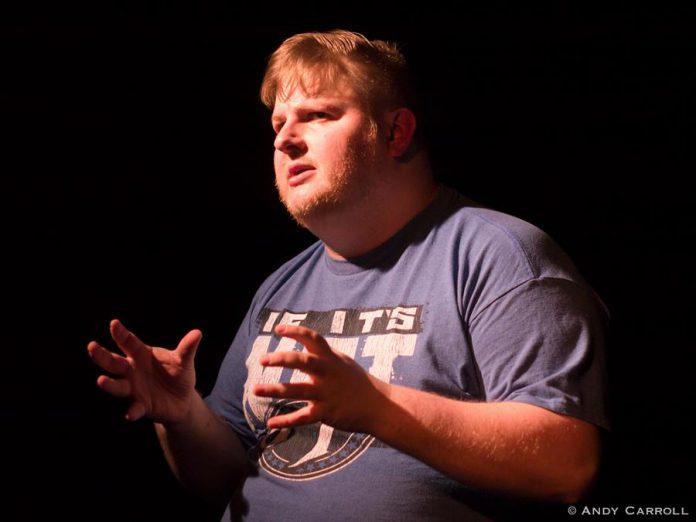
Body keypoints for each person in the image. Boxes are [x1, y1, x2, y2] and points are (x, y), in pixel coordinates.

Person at [87, 30, 609, 520]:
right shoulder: (282, 284)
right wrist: (182, 417)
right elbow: (224, 477)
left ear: (395, 132)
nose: (285, 140)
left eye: (316, 115)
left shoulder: (500, 256)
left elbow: (566, 465)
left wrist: (375, 405)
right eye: (277, 124)